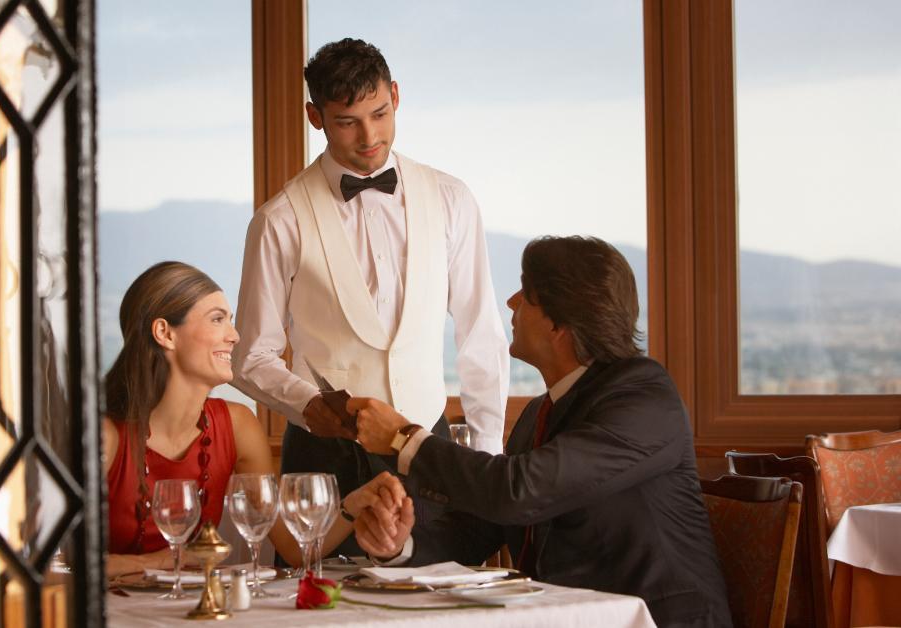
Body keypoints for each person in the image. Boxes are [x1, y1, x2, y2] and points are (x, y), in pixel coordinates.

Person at [350, 236, 733, 628]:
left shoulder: (646, 399)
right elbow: (480, 527)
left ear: (559, 323)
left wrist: (404, 440)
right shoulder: (540, 412)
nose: (511, 302)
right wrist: (400, 545)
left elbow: (517, 490)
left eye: (526, 294)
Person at [231, 38, 509, 557]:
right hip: (324, 460)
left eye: (379, 113)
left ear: (396, 95)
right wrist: (308, 404)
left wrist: (488, 460)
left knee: (442, 600)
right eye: (346, 121)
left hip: (428, 446)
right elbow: (250, 356)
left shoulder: (451, 199)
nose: (368, 136)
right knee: (326, 608)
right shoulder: (279, 220)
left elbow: (480, 335)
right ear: (315, 116)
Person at [102, 261, 399, 577]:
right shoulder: (105, 436)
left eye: (230, 321)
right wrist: (156, 563)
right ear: (165, 333)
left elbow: (292, 549)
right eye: (218, 319)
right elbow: (51, 562)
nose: (234, 336)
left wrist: (354, 505)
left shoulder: (236, 425)